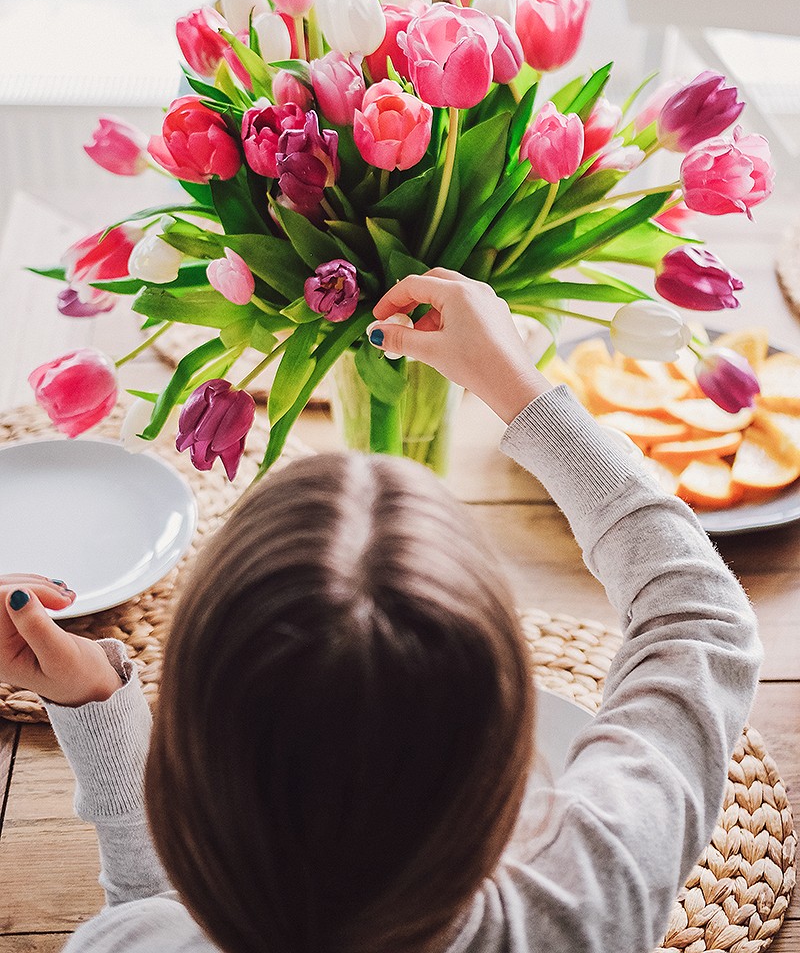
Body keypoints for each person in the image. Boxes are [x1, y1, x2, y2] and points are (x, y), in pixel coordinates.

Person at [1, 270, 761, 953]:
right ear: (507, 784)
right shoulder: (591, 897)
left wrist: (97, 699)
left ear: (192, 784)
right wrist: (516, 387)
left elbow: (162, 914)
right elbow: (697, 619)